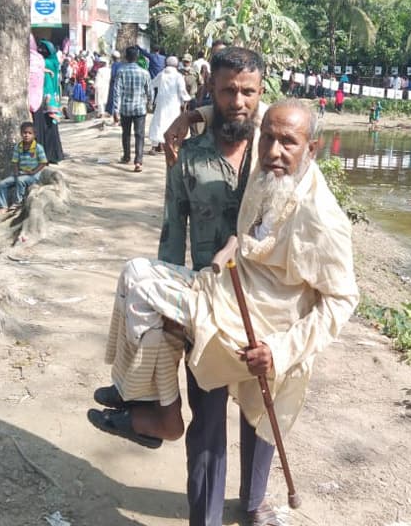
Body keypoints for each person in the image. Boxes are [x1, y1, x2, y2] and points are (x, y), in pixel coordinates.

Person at [90, 99, 358, 526]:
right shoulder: (262, 165)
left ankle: (249, 500)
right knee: (206, 420)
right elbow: (240, 106)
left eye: (289, 142)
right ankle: (160, 416)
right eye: (268, 137)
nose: (274, 150)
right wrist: (189, 117)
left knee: (260, 419)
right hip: (223, 296)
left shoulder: (321, 217)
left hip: (266, 334)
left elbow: (343, 299)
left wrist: (282, 351)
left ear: (313, 148)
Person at [112, 46, 152, 172]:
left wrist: (115, 110)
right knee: (139, 135)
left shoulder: (121, 71)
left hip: (125, 108)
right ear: (137, 57)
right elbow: (149, 91)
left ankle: (126, 156)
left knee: (126, 134)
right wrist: (149, 104)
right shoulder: (144, 73)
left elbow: (117, 92)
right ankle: (138, 162)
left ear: (126, 57)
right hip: (140, 109)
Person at [0, 122, 48, 215]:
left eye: (29, 133)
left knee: (20, 181)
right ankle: (3, 206)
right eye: (24, 133)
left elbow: (43, 162)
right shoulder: (18, 147)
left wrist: (33, 172)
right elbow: (15, 161)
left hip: (34, 175)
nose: (26, 135)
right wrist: (16, 172)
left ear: (34, 135)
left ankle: (18, 203)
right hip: (22, 172)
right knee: (2, 184)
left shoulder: (38, 148)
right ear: (21, 134)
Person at [147, 56, 191, 154]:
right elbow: (182, 91)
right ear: (176, 65)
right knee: (172, 124)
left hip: (161, 103)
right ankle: (170, 146)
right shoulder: (178, 76)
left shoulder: (162, 74)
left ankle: (155, 146)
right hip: (174, 104)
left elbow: (152, 84)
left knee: (158, 123)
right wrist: (187, 99)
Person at [35, 40, 65, 164]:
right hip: (54, 100)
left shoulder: (45, 63)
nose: (40, 51)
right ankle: (54, 155)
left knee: (45, 128)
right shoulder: (55, 62)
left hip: (45, 99)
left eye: (42, 49)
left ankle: (47, 155)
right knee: (52, 128)